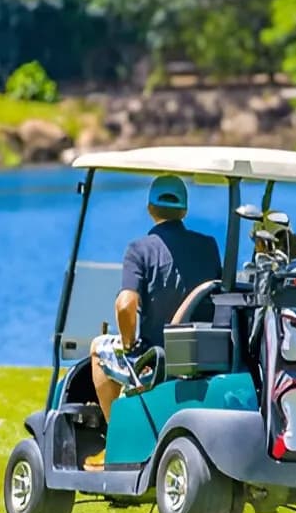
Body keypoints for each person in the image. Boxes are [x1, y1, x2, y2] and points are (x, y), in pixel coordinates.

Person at [86, 174, 222, 470]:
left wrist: (127, 343)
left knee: (98, 348)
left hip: (154, 356)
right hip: (201, 354)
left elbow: (125, 304)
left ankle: (116, 441)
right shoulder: (209, 246)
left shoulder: (140, 249)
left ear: (150, 208)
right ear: (184, 211)